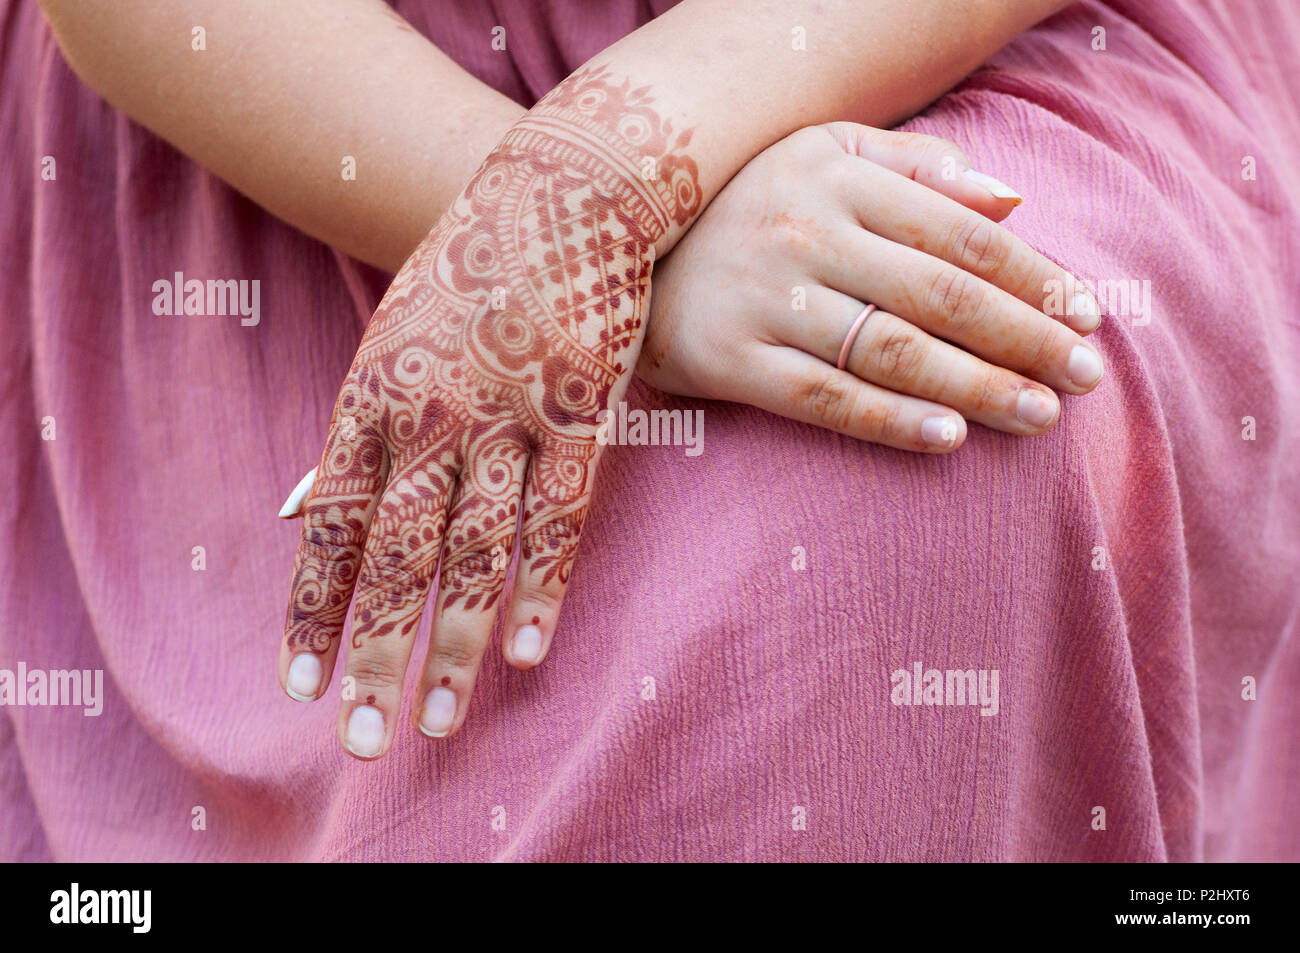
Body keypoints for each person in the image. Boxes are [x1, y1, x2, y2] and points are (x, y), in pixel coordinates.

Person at [4, 0, 1297, 860]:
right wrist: (565, 234)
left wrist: (604, 174)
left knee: (912, 474)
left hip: (935, 38)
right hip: (315, 105)